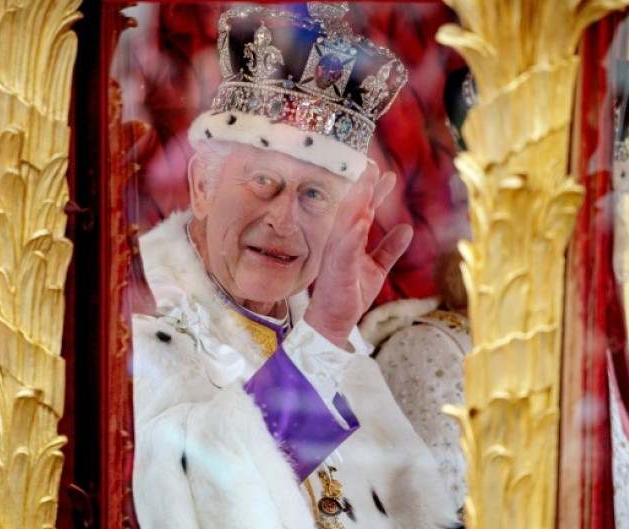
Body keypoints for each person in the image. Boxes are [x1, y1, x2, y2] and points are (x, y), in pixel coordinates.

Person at [131, 4, 460, 529]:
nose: (284, 220)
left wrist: (328, 339)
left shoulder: (329, 343)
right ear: (201, 187)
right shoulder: (136, 321)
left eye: (314, 194)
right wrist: (324, 337)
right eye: (263, 181)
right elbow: (194, 499)